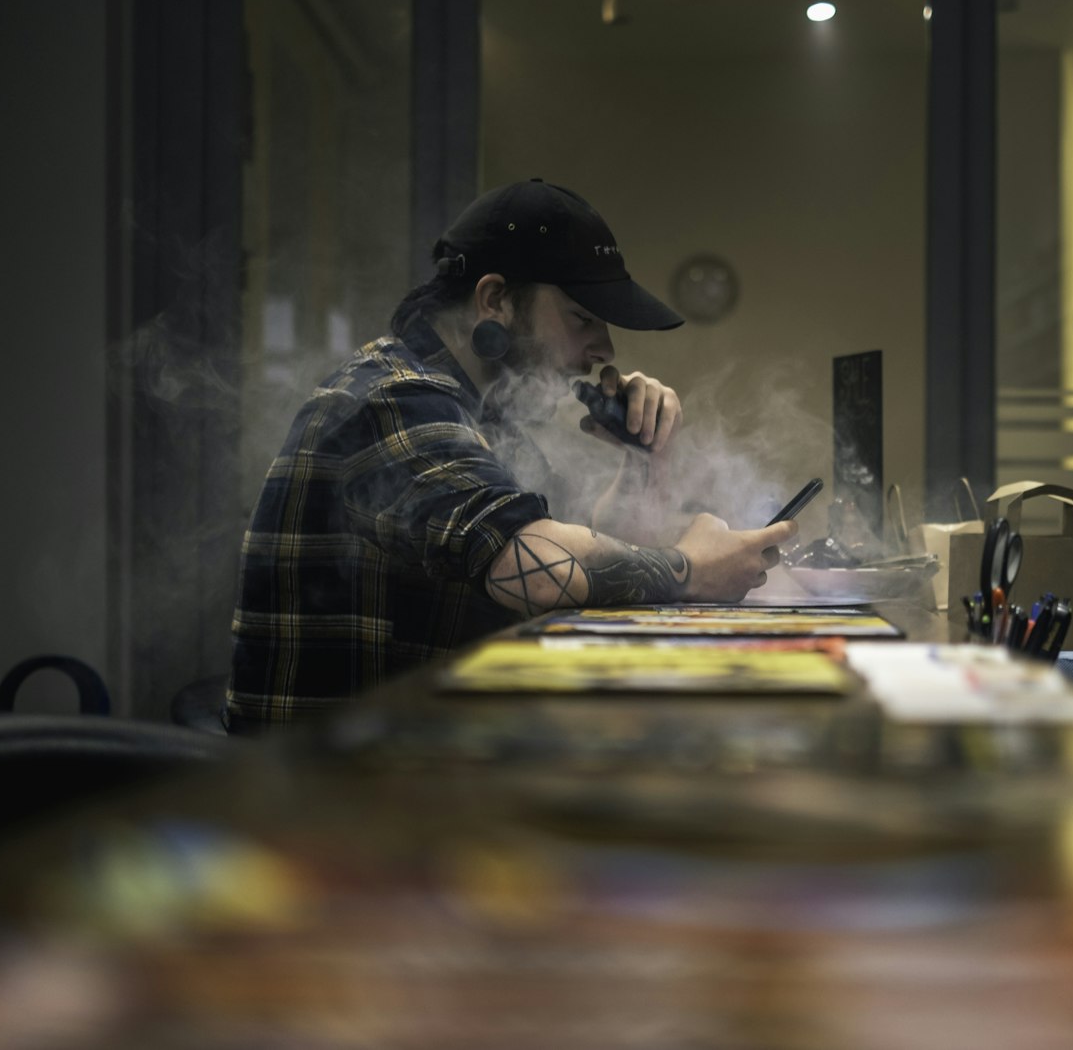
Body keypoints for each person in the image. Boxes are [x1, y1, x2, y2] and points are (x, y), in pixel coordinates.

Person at [225, 179, 796, 732]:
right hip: (332, 792)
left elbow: (586, 552)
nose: (604, 349)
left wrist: (645, 459)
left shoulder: (482, 417)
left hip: (409, 759)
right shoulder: (395, 398)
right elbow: (538, 572)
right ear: (494, 299)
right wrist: (691, 570)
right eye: (581, 318)